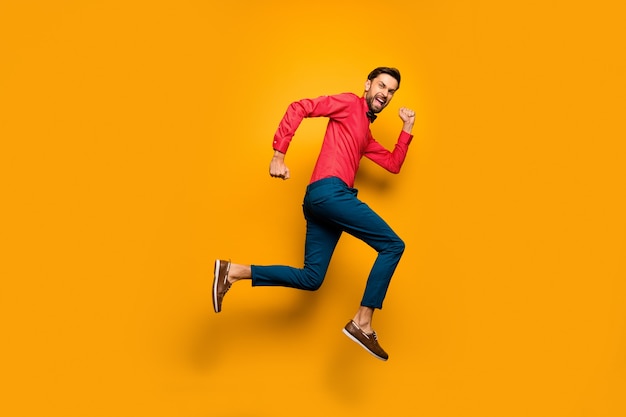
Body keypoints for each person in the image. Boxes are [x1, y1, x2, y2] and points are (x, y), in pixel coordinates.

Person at [212, 67, 415, 361]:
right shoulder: (348, 104)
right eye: (381, 86)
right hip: (330, 193)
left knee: (311, 278)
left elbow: (394, 164)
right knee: (393, 245)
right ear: (368, 85)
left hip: (322, 203)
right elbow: (301, 106)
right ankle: (363, 322)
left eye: (391, 91)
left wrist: (407, 127)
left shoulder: (365, 136)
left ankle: (233, 272)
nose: (384, 94)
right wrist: (278, 154)